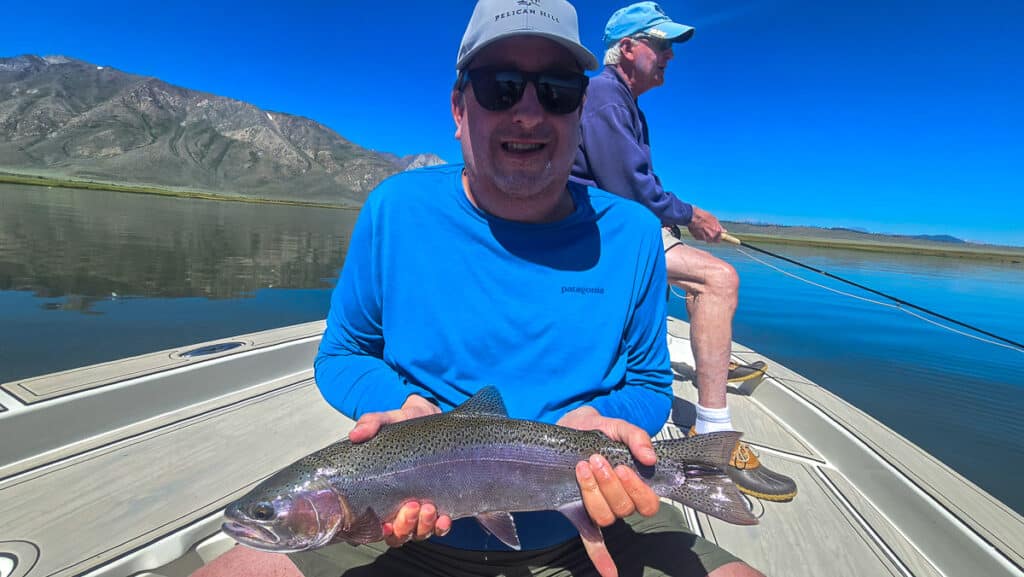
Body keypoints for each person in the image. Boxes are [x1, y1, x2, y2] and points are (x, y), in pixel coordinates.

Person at [201, 1, 765, 576]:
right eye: (500, 87)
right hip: (386, 523)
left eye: (557, 90)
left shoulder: (635, 234)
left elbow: (648, 382)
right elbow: (344, 353)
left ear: (579, 111)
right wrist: (407, 412)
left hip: (599, 515)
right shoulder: (396, 210)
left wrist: (598, 418)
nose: (529, 113)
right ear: (459, 108)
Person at [571, 1, 796, 502]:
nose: (670, 55)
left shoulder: (622, 102)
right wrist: (691, 215)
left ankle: (711, 354)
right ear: (628, 48)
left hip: (620, 227)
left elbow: (636, 187)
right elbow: (631, 189)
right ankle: (712, 433)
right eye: (661, 44)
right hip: (601, 232)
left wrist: (673, 218)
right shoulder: (606, 97)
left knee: (701, 283)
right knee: (719, 279)